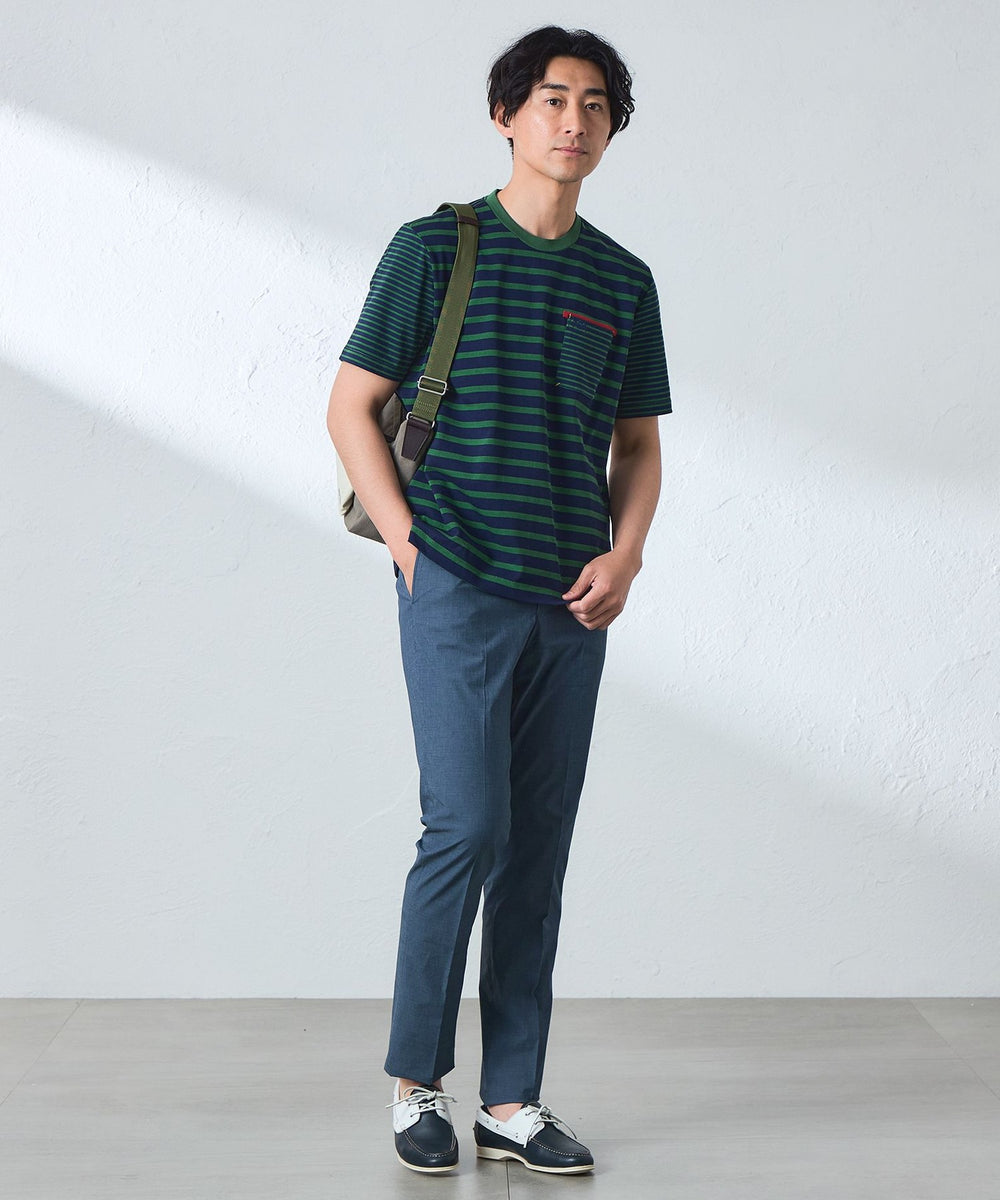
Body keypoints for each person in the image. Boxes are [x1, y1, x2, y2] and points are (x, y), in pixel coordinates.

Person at [326, 24, 671, 1176]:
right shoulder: (436, 247)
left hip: (572, 601)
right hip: (459, 581)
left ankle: (510, 1100)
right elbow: (350, 405)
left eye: (596, 104)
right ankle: (416, 1083)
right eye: (552, 99)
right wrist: (409, 545)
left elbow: (636, 444)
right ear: (506, 115)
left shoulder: (621, 280)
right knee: (466, 827)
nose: (574, 121)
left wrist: (625, 556)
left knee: (536, 849)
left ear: (611, 128)